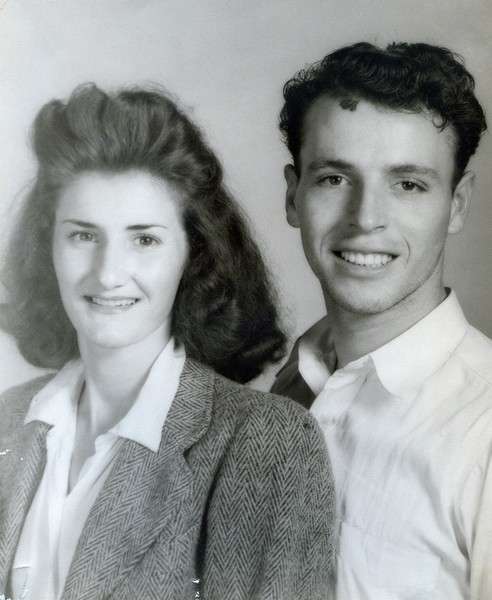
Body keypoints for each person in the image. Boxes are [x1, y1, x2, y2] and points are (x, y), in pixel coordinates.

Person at [0, 84, 336, 600]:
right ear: (48, 247)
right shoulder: (8, 418)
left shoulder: (266, 443)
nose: (108, 273)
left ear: (193, 255)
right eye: (83, 235)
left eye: (145, 239)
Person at [272, 42, 492, 599]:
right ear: (293, 195)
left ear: (458, 203)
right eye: (334, 178)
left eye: (408, 184)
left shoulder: (483, 431)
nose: (365, 219)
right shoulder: (288, 387)